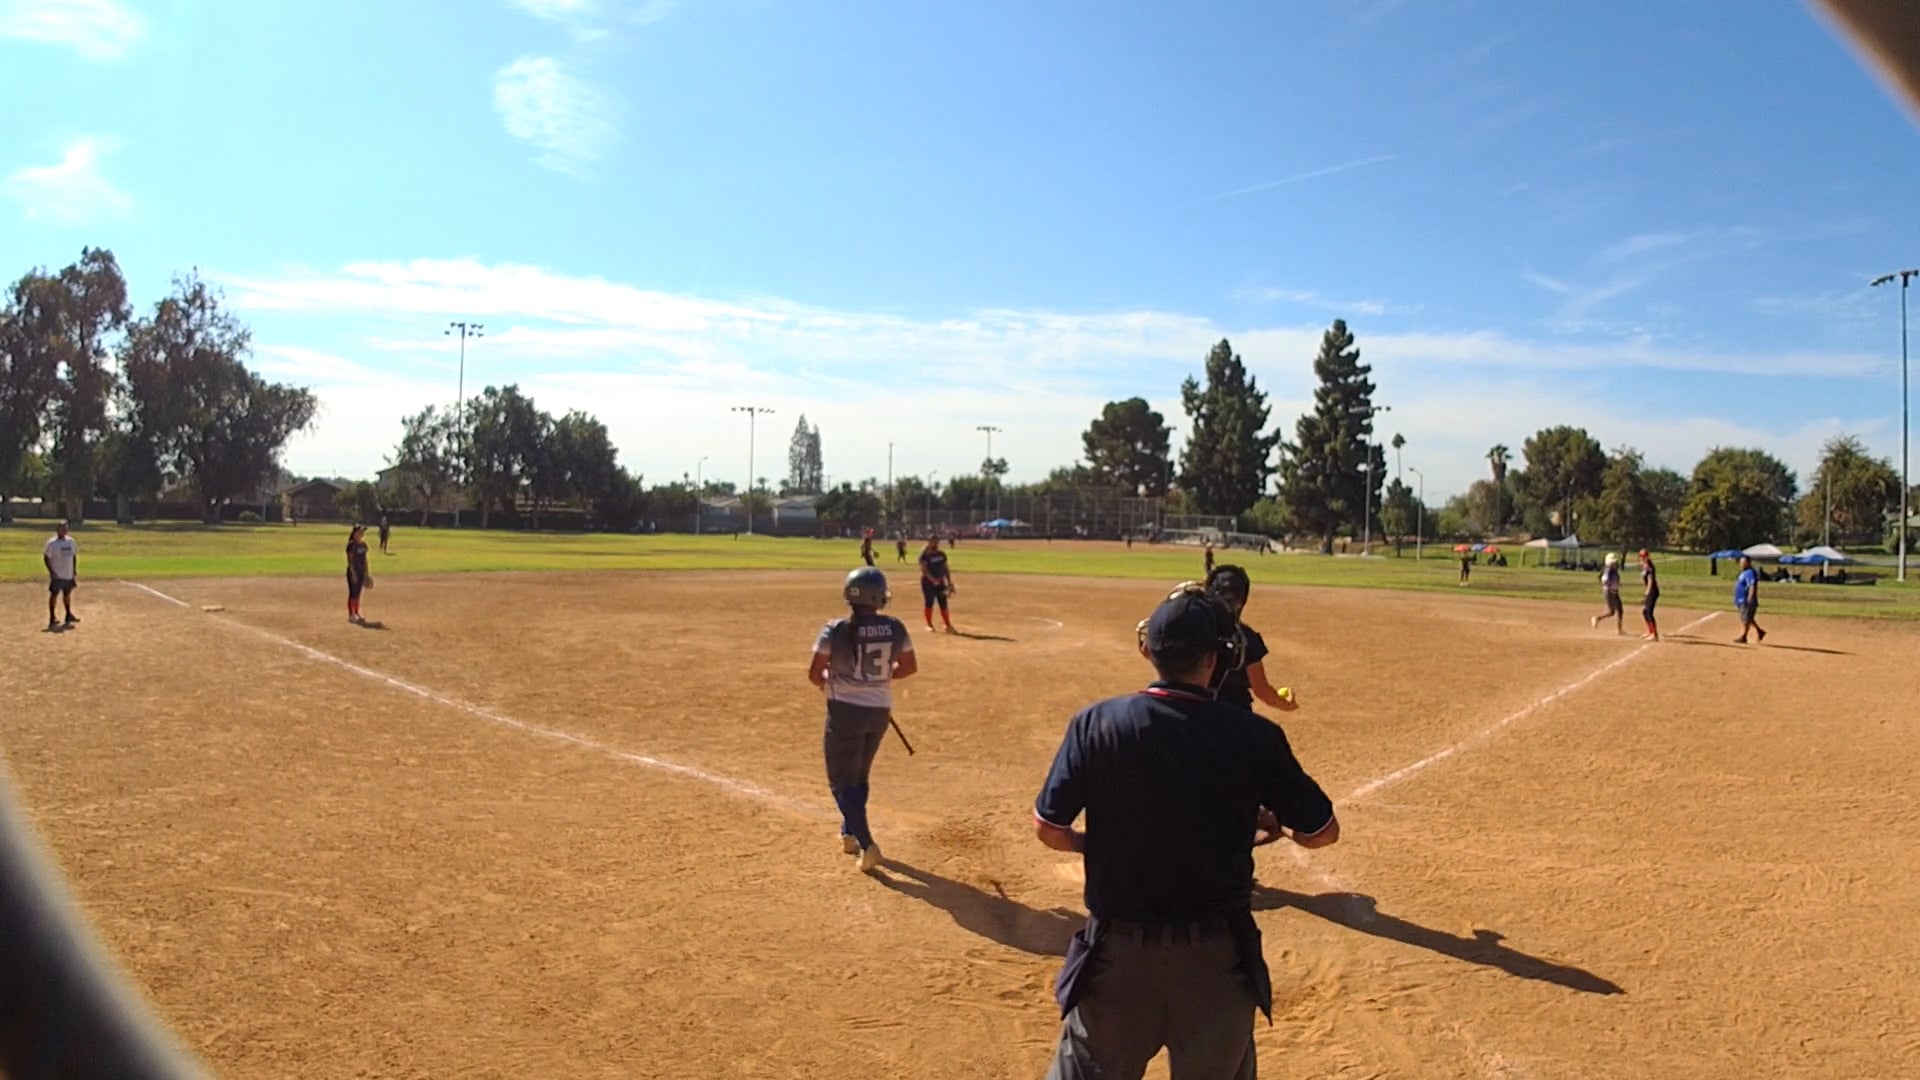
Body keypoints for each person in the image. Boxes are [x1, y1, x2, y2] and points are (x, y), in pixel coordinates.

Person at [1033, 585, 1339, 1080]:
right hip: (1215, 964)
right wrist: (1275, 824)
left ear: (1147, 650)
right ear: (1219, 659)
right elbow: (1322, 832)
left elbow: (1049, 829)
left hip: (1117, 959)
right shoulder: (1255, 735)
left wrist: (1098, 843)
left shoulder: (1095, 723)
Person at [806, 567, 917, 871]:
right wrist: (877, 680)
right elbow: (909, 667)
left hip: (844, 712)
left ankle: (867, 844)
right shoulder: (895, 627)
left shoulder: (835, 629)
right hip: (879, 711)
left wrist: (832, 684)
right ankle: (849, 832)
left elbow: (815, 673)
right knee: (859, 778)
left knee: (841, 782)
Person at [1204, 566, 1298, 714]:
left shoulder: (1194, 630)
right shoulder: (1246, 637)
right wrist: (1284, 704)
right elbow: (1261, 689)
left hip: (1197, 711)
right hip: (1236, 715)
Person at [43, 521, 79, 631]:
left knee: (67, 594)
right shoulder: (52, 543)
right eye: (61, 528)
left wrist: (74, 570)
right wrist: (51, 572)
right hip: (57, 574)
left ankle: (68, 614)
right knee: (54, 595)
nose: (64, 530)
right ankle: (52, 616)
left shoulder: (71, 541)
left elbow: (73, 556)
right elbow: (46, 557)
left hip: (68, 573)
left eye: (65, 528)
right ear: (57, 530)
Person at [917, 537, 956, 632]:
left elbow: (945, 568)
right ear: (929, 543)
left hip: (940, 582)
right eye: (933, 542)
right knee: (929, 602)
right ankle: (929, 625)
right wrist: (933, 580)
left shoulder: (941, 554)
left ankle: (947, 624)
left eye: (936, 542)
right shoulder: (924, 556)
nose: (935, 544)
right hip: (927, 583)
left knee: (943, 602)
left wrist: (949, 582)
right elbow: (925, 571)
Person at [1733, 555, 1767, 644]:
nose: (1741, 564)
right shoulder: (1744, 572)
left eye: (1743, 562)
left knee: (1746, 619)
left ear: (1748, 563)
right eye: (1741, 562)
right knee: (1748, 618)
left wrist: (1750, 597)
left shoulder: (1750, 572)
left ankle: (1744, 636)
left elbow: (1752, 585)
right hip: (1741, 599)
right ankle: (1760, 631)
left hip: (1745, 599)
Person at [1590, 553, 1624, 635]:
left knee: (1620, 609)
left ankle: (1619, 629)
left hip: (1614, 591)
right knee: (1611, 611)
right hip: (1609, 592)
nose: (1615, 564)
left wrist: (1617, 584)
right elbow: (1605, 580)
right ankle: (1597, 618)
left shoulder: (1613, 570)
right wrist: (1611, 586)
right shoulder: (1608, 570)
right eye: (1613, 563)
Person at [345, 524, 373, 624]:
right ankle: (351, 615)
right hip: (354, 571)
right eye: (360, 531)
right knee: (353, 593)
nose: (362, 533)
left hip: (361, 571)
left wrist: (367, 574)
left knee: (358, 593)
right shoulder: (351, 545)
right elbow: (350, 561)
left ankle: (357, 612)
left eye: (363, 532)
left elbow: (365, 560)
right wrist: (353, 573)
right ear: (355, 533)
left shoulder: (364, 545)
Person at [1639, 549, 1661, 641]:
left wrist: (1647, 592)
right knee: (1645, 612)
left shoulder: (1649, 566)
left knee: (1649, 612)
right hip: (1650, 591)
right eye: (1641, 556)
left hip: (1653, 591)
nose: (1642, 558)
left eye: (1644, 556)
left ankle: (1654, 635)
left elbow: (1650, 581)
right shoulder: (1645, 566)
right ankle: (1650, 631)